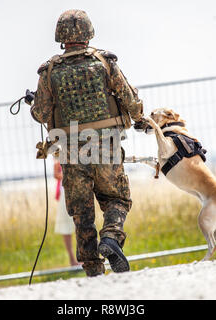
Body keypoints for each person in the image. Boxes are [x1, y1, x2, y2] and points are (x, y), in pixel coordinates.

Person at [30, 9, 146, 277]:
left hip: (71, 151)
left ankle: (93, 271)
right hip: (106, 145)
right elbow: (129, 99)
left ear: (61, 37)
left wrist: (34, 103)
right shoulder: (105, 62)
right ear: (88, 33)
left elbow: (40, 114)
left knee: (82, 212)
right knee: (117, 198)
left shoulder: (49, 72)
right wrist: (140, 117)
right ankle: (111, 238)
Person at [53, 158, 78, 266]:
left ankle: (82, 256)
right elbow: (56, 174)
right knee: (66, 227)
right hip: (65, 194)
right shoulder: (58, 159)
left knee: (81, 225)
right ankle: (73, 259)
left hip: (77, 191)